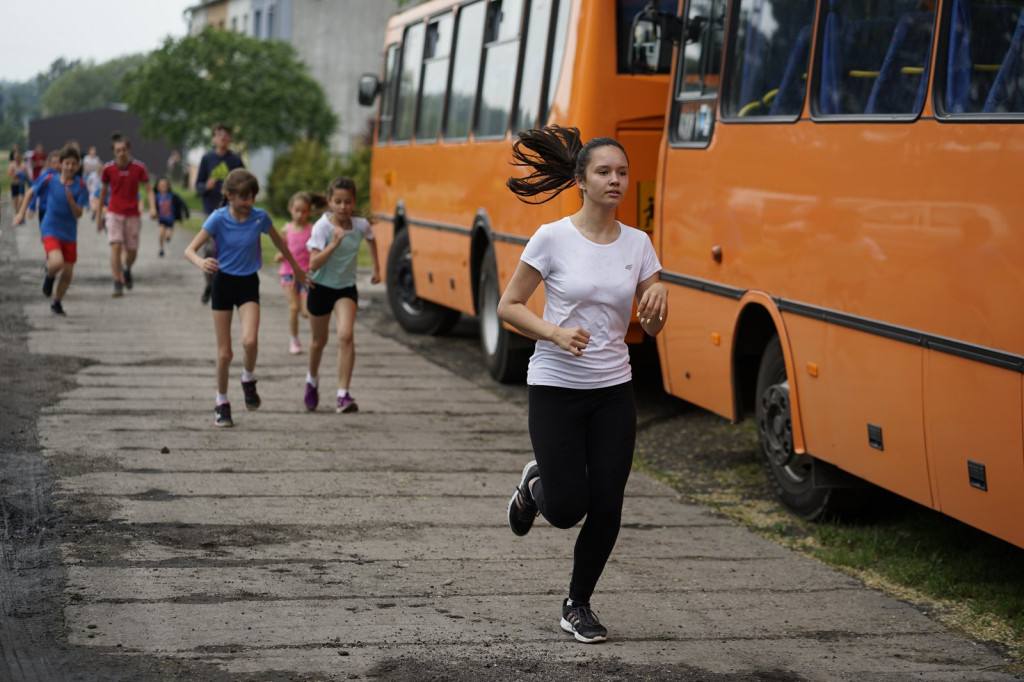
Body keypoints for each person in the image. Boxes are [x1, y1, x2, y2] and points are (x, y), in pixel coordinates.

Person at [497, 125, 668, 644]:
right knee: (569, 507)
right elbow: (508, 307)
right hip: (555, 386)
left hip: (613, 388)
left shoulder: (639, 244)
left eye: (622, 172)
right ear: (581, 181)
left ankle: (578, 603)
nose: (616, 180)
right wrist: (552, 331)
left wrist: (659, 309)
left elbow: (652, 324)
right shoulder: (552, 237)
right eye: (604, 172)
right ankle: (535, 488)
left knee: (609, 503)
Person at [184, 168, 307, 428]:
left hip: (248, 283)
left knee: (250, 341)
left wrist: (297, 269)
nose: (248, 201)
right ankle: (221, 402)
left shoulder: (260, 217)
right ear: (229, 195)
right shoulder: (218, 218)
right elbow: (189, 250)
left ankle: (248, 379)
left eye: (251, 196)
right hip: (223, 284)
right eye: (243, 197)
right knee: (225, 353)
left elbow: (281, 244)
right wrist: (200, 262)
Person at [302, 177, 380, 413]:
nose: (343, 207)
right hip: (320, 287)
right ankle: (312, 380)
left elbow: (371, 238)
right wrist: (333, 244)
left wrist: (377, 267)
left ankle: (342, 394)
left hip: (345, 288)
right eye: (338, 201)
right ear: (329, 202)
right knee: (319, 341)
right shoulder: (322, 227)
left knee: (346, 336)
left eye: (347, 202)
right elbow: (313, 264)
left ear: (354, 202)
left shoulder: (360, 224)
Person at [11, 143, 89, 316]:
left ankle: (56, 301)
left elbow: (79, 214)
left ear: (78, 166)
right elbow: (31, 192)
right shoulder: (49, 179)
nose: (70, 167)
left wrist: (71, 202)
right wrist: (21, 214)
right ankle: (49, 276)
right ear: (60, 164)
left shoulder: (81, 185)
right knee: (56, 263)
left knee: (68, 275)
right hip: (50, 227)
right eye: (67, 163)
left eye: (73, 164)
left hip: (69, 232)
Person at [97, 131, 156, 297]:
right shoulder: (108, 169)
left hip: (132, 214)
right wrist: (99, 215)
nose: (121, 153)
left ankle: (126, 268)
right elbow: (103, 192)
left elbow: (148, 189)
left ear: (129, 150)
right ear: (114, 152)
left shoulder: (138, 168)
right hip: (114, 212)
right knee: (115, 246)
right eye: (118, 150)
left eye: (124, 149)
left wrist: (152, 208)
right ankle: (117, 282)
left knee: (132, 251)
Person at [195, 124, 244, 304]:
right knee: (209, 249)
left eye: (226, 135)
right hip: (210, 211)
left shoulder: (235, 160)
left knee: (230, 249)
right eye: (219, 135)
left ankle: (226, 284)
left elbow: (245, 182)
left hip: (232, 212)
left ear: (230, 139)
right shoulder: (207, 159)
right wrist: (204, 186)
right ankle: (209, 283)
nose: (222, 138)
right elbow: (197, 185)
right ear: (213, 139)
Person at [274, 192, 319, 354]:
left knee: (306, 312)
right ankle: (294, 340)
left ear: (308, 212)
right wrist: (279, 256)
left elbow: (315, 251)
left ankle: (316, 338)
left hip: (306, 275)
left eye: (304, 211)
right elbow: (284, 247)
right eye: (297, 210)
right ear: (290, 209)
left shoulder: (312, 230)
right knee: (293, 307)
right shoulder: (287, 230)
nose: (300, 215)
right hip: (287, 273)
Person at [154, 176, 190, 257]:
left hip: (170, 219)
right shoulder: (157, 196)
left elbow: (182, 203)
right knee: (160, 234)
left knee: (168, 236)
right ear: (158, 187)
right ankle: (161, 249)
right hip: (162, 219)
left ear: (168, 186)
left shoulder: (173, 196)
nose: (162, 187)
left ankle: (167, 238)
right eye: (161, 185)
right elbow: (154, 206)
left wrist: (186, 212)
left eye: (164, 185)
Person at [7, 151, 29, 215]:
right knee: (15, 202)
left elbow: (28, 175)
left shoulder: (23, 165)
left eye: (18, 159)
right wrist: (15, 174)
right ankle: (17, 213)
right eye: (16, 159)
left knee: (21, 200)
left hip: (21, 185)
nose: (17, 160)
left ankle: (21, 213)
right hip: (14, 184)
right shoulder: (12, 164)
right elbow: (9, 175)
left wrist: (30, 182)